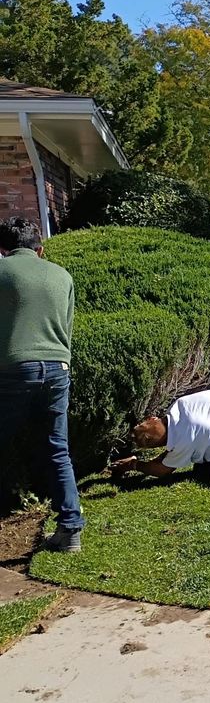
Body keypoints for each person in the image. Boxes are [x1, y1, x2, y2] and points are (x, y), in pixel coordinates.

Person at [0, 216, 84, 552]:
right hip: (57, 368)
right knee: (57, 449)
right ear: (40, 249)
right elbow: (67, 327)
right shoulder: (62, 276)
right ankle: (70, 529)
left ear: (3, 250)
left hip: (12, 369)